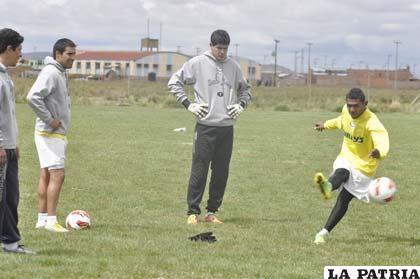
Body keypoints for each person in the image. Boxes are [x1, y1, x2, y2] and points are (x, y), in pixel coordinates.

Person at [168, 29, 251, 224]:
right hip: (205, 127)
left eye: (225, 48)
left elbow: (246, 90)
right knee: (199, 170)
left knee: (221, 172)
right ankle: (192, 212)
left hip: (226, 128)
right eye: (218, 48)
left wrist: (241, 105)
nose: (222, 52)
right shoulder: (197, 63)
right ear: (210, 46)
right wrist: (189, 105)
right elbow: (174, 82)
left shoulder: (234, 67)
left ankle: (211, 212)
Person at [312, 88, 389, 244]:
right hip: (346, 156)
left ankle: (323, 233)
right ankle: (327, 187)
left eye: (356, 106)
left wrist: (379, 151)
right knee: (341, 171)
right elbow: (340, 121)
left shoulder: (372, 122)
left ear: (365, 104)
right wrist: (325, 125)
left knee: (344, 199)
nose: (352, 109)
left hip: (364, 166)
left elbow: (382, 139)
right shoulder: (346, 112)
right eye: (349, 106)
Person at [27, 38, 76, 233]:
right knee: (58, 175)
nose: (73, 58)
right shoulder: (51, 72)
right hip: (50, 133)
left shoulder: (59, 72)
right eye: (69, 54)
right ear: (58, 54)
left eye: (74, 54)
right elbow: (32, 97)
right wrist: (50, 119)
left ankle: (41, 219)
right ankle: (51, 221)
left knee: (46, 174)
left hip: (52, 133)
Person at [0, 28, 35, 254]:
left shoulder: (5, 75)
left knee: (11, 197)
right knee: (5, 197)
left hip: (9, 146)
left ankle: (10, 242)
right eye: (19, 49)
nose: (20, 55)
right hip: (2, 148)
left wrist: (13, 143)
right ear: (9, 48)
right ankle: (10, 243)